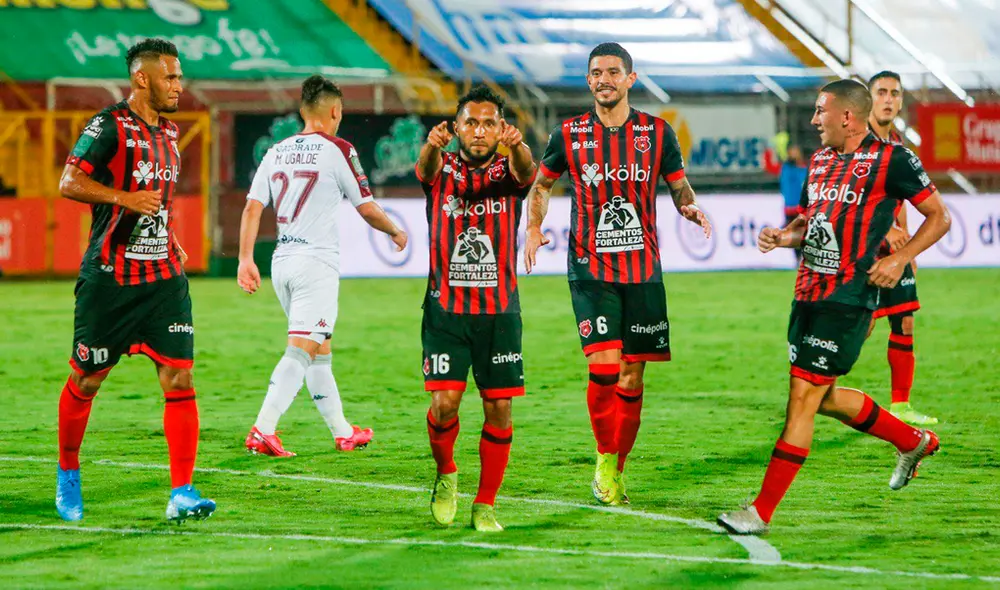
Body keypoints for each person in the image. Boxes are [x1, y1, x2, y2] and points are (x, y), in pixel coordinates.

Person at [717, 79, 952, 535]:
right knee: (823, 398)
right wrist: (785, 235)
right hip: (806, 295)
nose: (812, 120)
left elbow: (940, 216)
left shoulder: (893, 160)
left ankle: (760, 513)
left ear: (846, 116)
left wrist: (901, 257)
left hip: (847, 300)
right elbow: (812, 219)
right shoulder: (821, 160)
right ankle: (912, 441)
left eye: (820, 110)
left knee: (802, 400)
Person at [523, 42, 711, 506]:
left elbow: (678, 184)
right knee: (604, 369)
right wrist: (532, 227)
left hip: (643, 269)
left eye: (612, 71)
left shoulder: (658, 132)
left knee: (632, 377)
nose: (603, 79)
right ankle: (605, 459)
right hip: (590, 268)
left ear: (630, 78)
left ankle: (616, 468)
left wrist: (689, 207)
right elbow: (542, 185)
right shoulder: (567, 133)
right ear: (588, 81)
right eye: (595, 73)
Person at [56, 38, 215, 522]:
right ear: (141, 78)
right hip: (110, 279)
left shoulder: (170, 135)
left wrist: (168, 237)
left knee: (180, 376)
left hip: (163, 278)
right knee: (87, 378)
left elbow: (156, 205)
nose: (178, 86)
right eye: (170, 76)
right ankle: (68, 476)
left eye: (179, 76)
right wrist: (124, 198)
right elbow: (69, 182)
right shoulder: (107, 125)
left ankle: (182, 492)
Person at [237, 75, 407, 456]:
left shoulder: (275, 151)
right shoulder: (338, 149)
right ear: (335, 111)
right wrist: (395, 231)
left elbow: (252, 207)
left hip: (282, 262)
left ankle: (343, 431)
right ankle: (264, 428)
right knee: (301, 349)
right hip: (316, 264)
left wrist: (246, 259)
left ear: (302, 111)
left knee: (319, 349)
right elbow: (365, 206)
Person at [417, 85, 536, 532]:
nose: (480, 131)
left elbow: (528, 171)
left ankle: (486, 504)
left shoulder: (511, 170)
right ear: (457, 127)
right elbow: (424, 170)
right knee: (445, 404)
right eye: (471, 122)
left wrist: (519, 144)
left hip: (499, 312)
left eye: (489, 123)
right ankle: (446, 473)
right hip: (445, 311)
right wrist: (431, 147)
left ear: (499, 127)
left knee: (499, 408)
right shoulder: (441, 167)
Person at [865, 70, 936, 425]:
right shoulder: (855, 144)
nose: (889, 99)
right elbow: (852, 201)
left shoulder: (897, 147)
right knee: (858, 328)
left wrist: (909, 251)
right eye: (881, 92)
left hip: (895, 252)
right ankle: (817, 393)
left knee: (904, 323)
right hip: (860, 250)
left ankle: (901, 405)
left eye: (894, 93)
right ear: (869, 99)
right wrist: (887, 232)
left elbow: (901, 200)